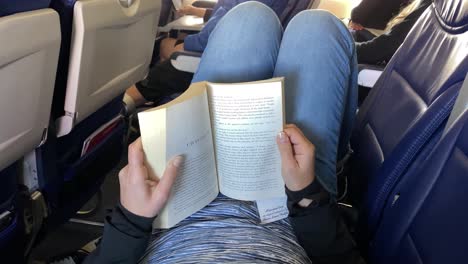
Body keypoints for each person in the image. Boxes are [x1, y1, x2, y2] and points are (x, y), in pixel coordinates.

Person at [75, 2, 362, 263]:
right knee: (318, 28)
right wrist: (308, 195)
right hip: (295, 212)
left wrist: (132, 219)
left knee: (250, 17)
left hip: (175, 205)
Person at [123, 0, 288, 114]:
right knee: (171, 44)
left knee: (166, 47)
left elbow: (228, 23)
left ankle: (125, 107)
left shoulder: (252, 9)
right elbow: (225, 13)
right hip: (225, 49)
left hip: (220, 57)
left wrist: (188, 44)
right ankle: (157, 98)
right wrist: (194, 11)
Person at [350, 0, 431, 65]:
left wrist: (348, 48)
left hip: (381, 50)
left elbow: (388, 46)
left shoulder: (429, 7)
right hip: (379, 39)